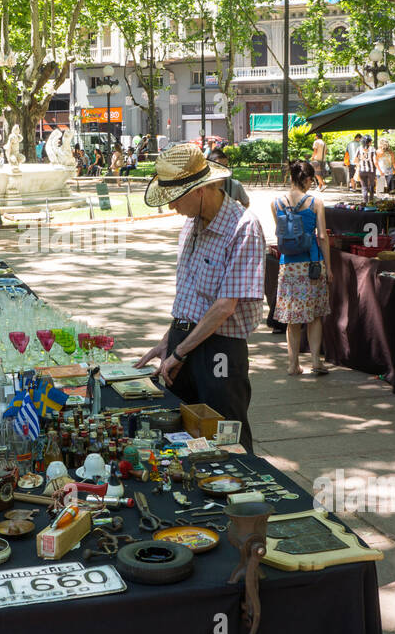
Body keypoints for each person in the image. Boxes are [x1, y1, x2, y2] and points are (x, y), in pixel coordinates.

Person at [135, 143, 265, 451]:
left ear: (200, 191)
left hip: (219, 348)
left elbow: (223, 307)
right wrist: (169, 339)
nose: (171, 208)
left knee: (225, 435)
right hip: (185, 340)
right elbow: (190, 298)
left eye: (175, 199)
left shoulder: (244, 227)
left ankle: (244, 492)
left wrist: (179, 351)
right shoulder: (190, 225)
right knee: (183, 434)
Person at [271, 161, 331, 375]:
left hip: (288, 266)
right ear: (307, 179)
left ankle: (293, 364)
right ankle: (316, 361)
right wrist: (329, 268)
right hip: (312, 264)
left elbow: (281, 234)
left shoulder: (276, 203)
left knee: (292, 318)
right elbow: (322, 237)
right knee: (314, 316)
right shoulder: (316, 202)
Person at [355, 134, 378, 204]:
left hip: (362, 170)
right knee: (371, 186)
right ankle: (371, 201)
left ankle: (365, 202)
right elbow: (375, 161)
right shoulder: (372, 149)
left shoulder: (359, 148)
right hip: (371, 171)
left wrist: (358, 164)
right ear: (369, 142)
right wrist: (378, 169)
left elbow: (355, 160)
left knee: (364, 187)